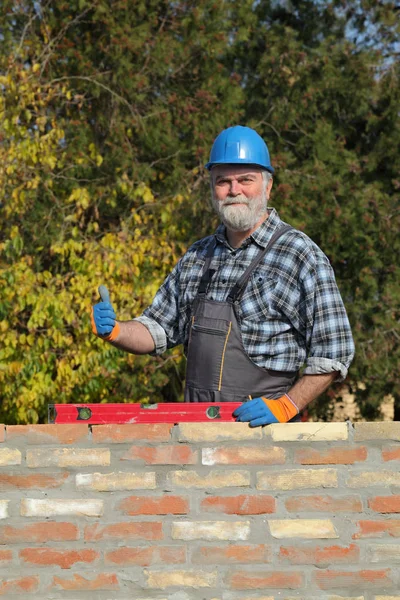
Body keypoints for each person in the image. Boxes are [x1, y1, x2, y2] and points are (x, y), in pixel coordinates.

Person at [91, 125, 355, 427]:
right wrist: (116, 331)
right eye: (223, 181)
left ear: (268, 186)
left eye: (246, 180)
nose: (234, 190)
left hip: (265, 441)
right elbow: (158, 330)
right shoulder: (197, 257)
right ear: (212, 188)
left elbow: (335, 350)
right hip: (198, 435)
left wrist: (286, 406)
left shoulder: (299, 254)